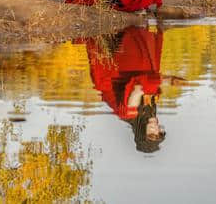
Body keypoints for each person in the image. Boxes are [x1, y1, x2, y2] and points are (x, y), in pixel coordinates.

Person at [79, 25, 185, 153]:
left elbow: (138, 87)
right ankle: (138, 29)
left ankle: (130, 30)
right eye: (159, 133)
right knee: (150, 68)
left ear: (141, 133)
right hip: (128, 72)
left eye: (152, 134)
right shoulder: (148, 112)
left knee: (146, 68)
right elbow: (148, 84)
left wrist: (168, 80)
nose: (156, 129)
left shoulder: (129, 113)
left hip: (111, 73)